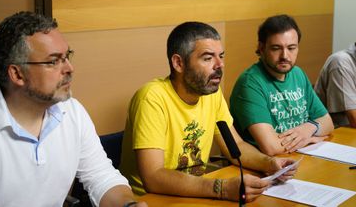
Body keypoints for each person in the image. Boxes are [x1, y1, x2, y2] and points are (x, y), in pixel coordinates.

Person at [0, 12, 146, 207]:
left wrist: (128, 205)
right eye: (53, 61)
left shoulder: (72, 111)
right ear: (17, 74)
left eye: (67, 57)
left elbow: (102, 178)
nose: (69, 68)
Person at [119, 21, 297, 203]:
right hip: (151, 200)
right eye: (208, 58)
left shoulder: (211, 92)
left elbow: (236, 147)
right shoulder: (151, 98)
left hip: (193, 194)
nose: (219, 65)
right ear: (178, 63)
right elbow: (153, 176)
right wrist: (222, 188)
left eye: (221, 56)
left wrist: (269, 163)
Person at [229, 15, 334, 156]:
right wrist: (308, 139)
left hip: (299, 157)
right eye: (276, 48)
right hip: (265, 168)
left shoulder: (298, 74)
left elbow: (328, 123)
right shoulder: (250, 83)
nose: (285, 55)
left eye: (291, 48)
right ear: (261, 48)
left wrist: (309, 128)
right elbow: (271, 147)